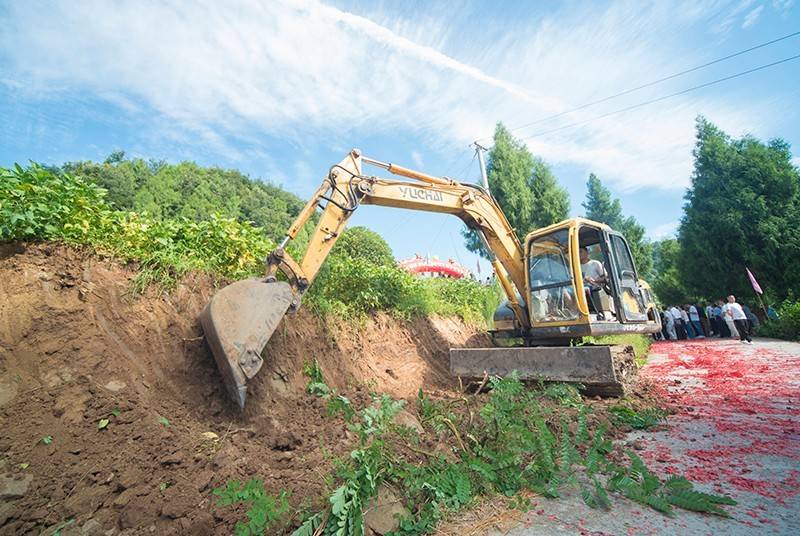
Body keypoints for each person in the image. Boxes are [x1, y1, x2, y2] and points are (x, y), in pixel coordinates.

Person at [579, 247, 607, 320]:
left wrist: (593, 280)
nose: (578, 254)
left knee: (585, 289)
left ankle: (593, 311)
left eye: (580, 251)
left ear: (587, 253)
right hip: (580, 287)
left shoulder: (595, 263)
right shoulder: (576, 266)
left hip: (595, 288)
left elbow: (605, 278)